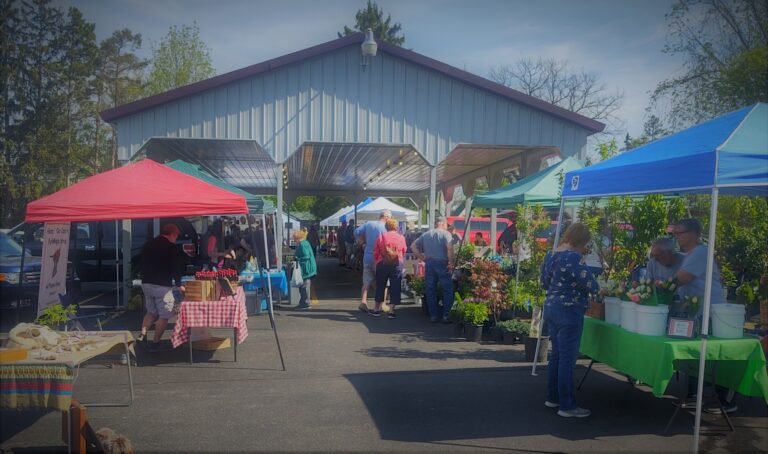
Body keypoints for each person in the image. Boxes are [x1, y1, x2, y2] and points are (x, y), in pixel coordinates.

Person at [673, 218, 735, 413]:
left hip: (710, 311)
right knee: (697, 353)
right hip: (699, 311)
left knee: (715, 355)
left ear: (693, 233)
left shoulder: (700, 252)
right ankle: (694, 396)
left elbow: (680, 279)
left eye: (679, 233)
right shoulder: (690, 254)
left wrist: (658, 286)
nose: (677, 237)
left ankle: (723, 401)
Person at [540, 222, 599, 418]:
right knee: (567, 358)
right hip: (569, 309)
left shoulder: (551, 255)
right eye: (586, 244)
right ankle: (567, 405)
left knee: (556, 355)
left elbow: (544, 283)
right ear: (581, 241)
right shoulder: (573, 257)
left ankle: (552, 397)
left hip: (551, 307)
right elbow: (591, 285)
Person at [139, 224, 187, 352]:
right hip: (162, 286)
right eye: (176, 236)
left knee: (151, 311)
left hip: (146, 283)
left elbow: (141, 262)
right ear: (172, 234)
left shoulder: (148, 244)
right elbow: (175, 268)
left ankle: (142, 334)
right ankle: (155, 342)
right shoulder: (171, 247)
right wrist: (179, 284)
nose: (176, 239)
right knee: (164, 315)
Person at [411, 216, 455, 323]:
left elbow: (413, 246)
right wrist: (451, 262)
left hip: (429, 263)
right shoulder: (446, 234)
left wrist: (422, 257)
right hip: (442, 263)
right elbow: (449, 248)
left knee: (430, 289)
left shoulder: (426, 234)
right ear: (443, 224)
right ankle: (446, 315)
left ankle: (433, 316)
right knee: (448, 290)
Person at [355, 210, 391, 315]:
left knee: (366, 281)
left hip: (367, 256)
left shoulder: (368, 224)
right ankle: (382, 304)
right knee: (383, 282)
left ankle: (363, 302)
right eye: (390, 217)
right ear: (386, 217)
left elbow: (356, 232)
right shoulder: (385, 229)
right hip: (379, 258)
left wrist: (361, 242)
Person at [373, 218, 407, 319]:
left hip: (382, 263)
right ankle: (391, 310)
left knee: (380, 285)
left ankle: (376, 309)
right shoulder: (401, 237)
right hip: (397, 264)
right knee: (395, 286)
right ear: (396, 227)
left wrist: (377, 261)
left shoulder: (381, 236)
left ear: (386, 227)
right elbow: (404, 250)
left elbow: (376, 251)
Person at [293, 229, 317, 310]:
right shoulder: (305, 243)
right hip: (307, 267)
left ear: (298, 238)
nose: (294, 240)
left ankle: (305, 303)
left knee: (304, 285)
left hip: (306, 268)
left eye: (295, 238)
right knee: (304, 285)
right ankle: (303, 302)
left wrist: (298, 259)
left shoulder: (303, 244)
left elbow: (306, 256)